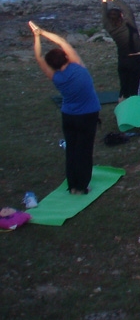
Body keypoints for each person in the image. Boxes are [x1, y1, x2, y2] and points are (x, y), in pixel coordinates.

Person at [29, 22, 102, 194]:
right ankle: (82, 186)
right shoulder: (77, 65)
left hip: (68, 115)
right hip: (88, 115)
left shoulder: (55, 76)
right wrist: (42, 32)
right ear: (66, 57)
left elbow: (38, 57)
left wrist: (36, 37)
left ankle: (73, 185)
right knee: (84, 151)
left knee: (72, 150)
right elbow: (62, 42)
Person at [101, 0, 140, 100]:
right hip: (135, 59)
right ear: (121, 15)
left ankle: (121, 108)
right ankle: (132, 110)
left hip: (123, 60)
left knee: (124, 89)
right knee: (134, 91)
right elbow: (127, 9)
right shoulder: (129, 24)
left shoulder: (109, 27)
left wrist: (104, 1)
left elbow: (104, 17)